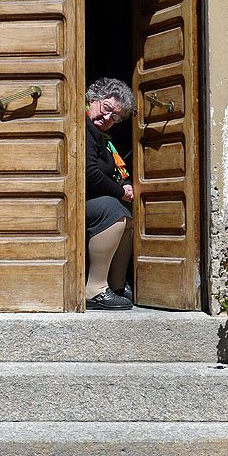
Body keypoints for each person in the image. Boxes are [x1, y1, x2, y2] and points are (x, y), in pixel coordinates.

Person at [85, 77, 136, 310]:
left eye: (115, 116)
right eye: (106, 108)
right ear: (93, 99)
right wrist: (119, 192)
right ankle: (94, 290)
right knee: (113, 209)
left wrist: (125, 186)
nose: (107, 118)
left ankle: (117, 286)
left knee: (127, 214)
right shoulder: (84, 128)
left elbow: (111, 171)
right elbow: (90, 174)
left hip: (91, 200)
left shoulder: (102, 138)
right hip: (74, 202)